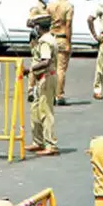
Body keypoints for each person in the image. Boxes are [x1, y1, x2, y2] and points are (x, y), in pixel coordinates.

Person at [25, 14, 59, 156]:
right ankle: (38, 141)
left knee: (45, 112)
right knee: (35, 111)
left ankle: (50, 145)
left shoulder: (45, 41)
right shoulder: (46, 39)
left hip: (46, 77)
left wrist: (31, 69)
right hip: (40, 78)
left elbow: (46, 61)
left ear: (39, 28)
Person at [47, 0, 74, 105]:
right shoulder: (68, 6)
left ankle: (50, 93)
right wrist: (69, 42)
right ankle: (59, 95)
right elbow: (68, 25)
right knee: (61, 69)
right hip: (62, 37)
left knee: (51, 68)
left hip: (52, 37)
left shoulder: (51, 5)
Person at [26, 0, 52, 104]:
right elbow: (28, 22)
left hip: (44, 37)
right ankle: (30, 90)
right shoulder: (36, 8)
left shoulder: (47, 7)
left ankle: (39, 88)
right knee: (36, 62)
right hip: (36, 38)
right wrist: (37, 24)